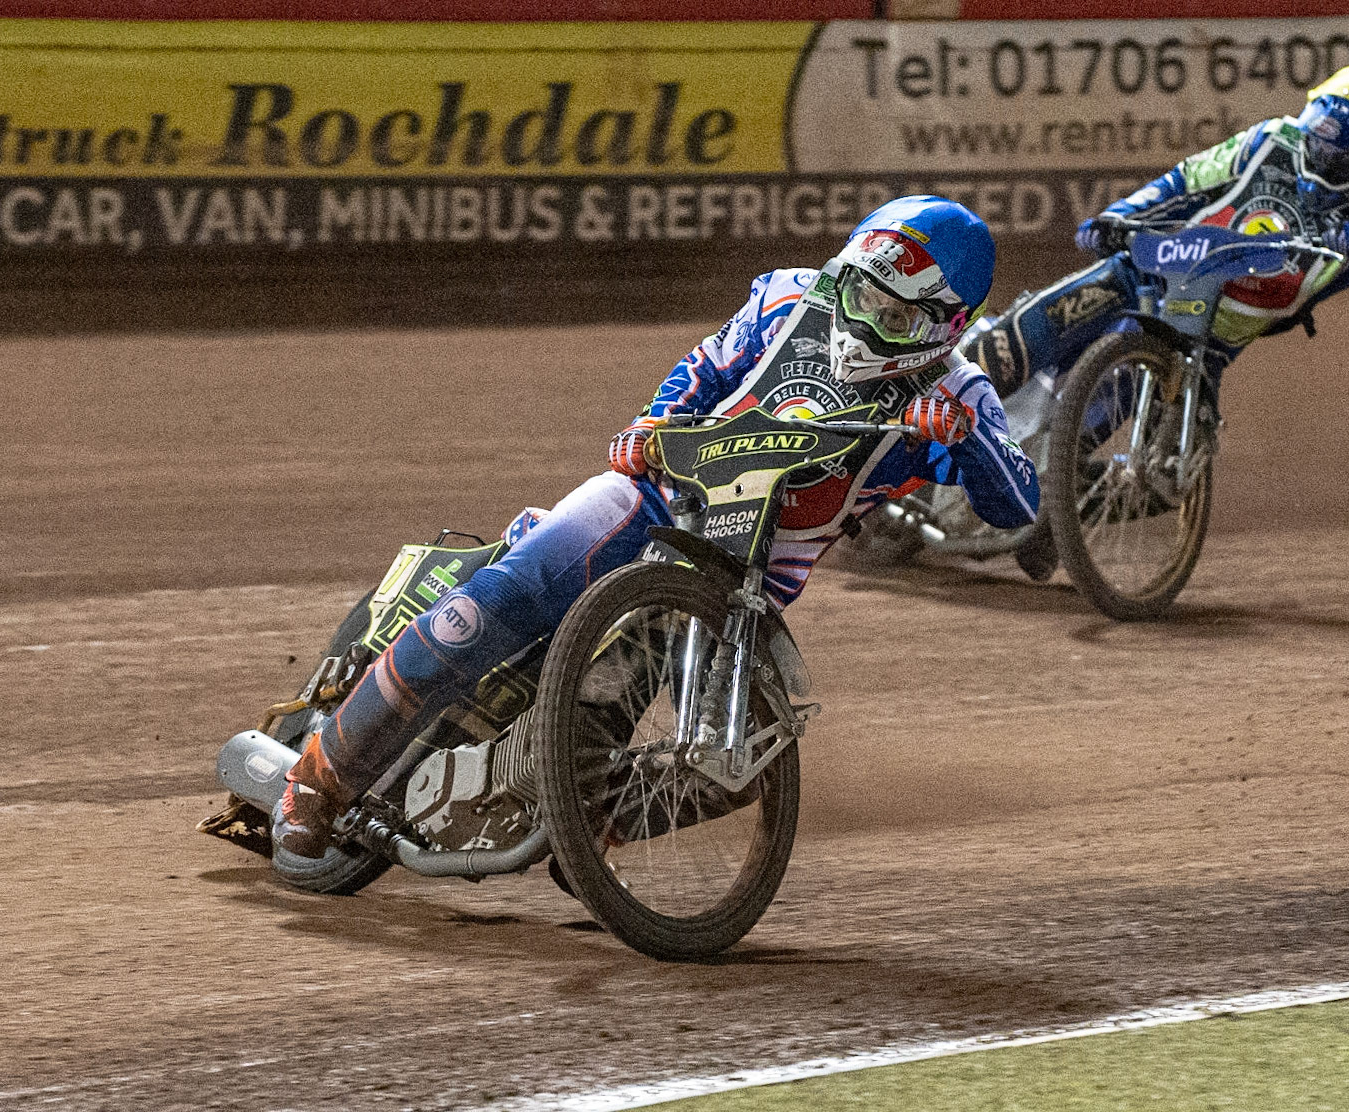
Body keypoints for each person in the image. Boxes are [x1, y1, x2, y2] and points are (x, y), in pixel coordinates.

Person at [274, 195, 1041, 858]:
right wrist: (652, 420)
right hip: (652, 500)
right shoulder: (785, 298)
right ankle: (317, 777)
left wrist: (961, 439)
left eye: (894, 313)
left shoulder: (959, 393)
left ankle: (586, 837)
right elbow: (705, 366)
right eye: (856, 292)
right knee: (485, 612)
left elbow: (1018, 503)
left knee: (736, 758)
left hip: (739, 586)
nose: (863, 317)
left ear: (946, 324)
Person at [959, 65, 1349, 580]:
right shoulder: (1269, 141)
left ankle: (1059, 511)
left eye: (1338, 156)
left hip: (1204, 346)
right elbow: (1186, 179)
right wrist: (1118, 217)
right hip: (1142, 276)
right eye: (1315, 140)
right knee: (1012, 344)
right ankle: (899, 401)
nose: (1317, 156)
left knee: (1166, 477)